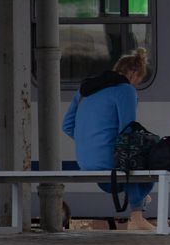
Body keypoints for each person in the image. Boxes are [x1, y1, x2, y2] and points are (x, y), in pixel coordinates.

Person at [62, 46, 157, 230]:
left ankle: (140, 201)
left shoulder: (84, 90)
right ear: (133, 73)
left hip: (85, 160)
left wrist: (91, 140)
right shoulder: (125, 90)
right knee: (144, 153)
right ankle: (137, 216)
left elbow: (66, 126)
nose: (136, 85)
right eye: (138, 80)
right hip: (107, 159)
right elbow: (127, 130)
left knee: (131, 162)